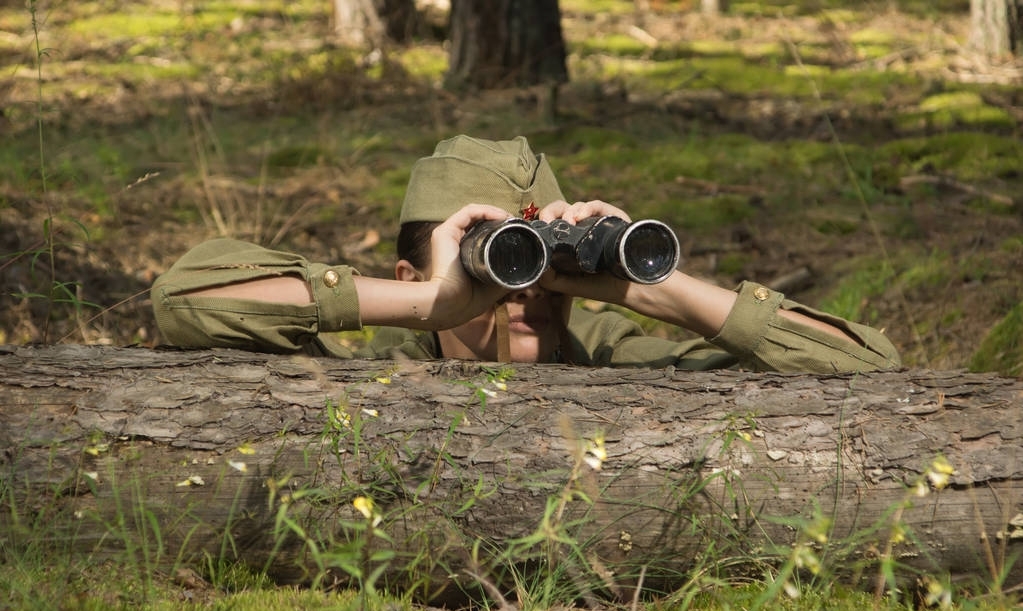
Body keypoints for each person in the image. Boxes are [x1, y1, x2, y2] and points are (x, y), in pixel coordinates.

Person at [151, 135, 900, 373]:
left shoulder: (607, 351)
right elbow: (182, 302)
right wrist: (425, 307)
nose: (526, 288)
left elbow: (868, 369)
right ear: (415, 275)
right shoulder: (374, 361)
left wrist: (649, 287)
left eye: (545, 261)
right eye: (502, 257)